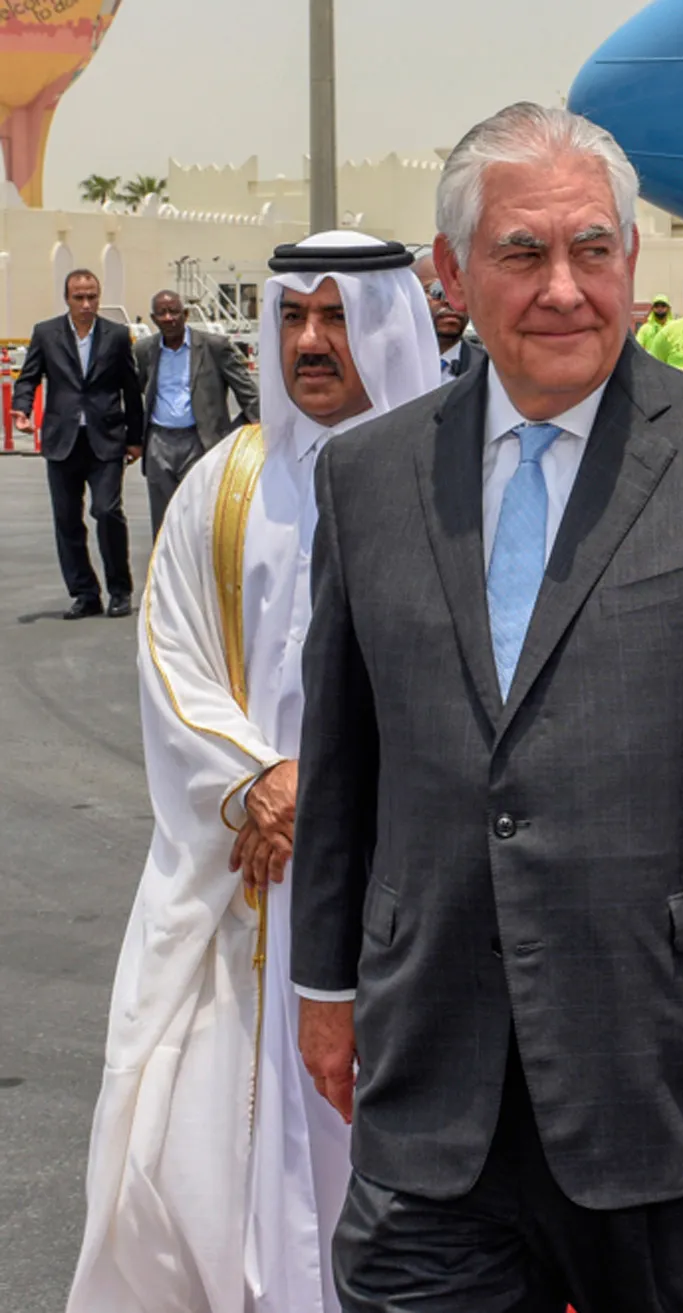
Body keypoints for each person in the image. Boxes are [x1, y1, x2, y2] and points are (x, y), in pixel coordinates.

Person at [289, 102, 683, 1312]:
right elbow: (344, 757)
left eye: (594, 250)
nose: (565, 288)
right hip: (432, 1084)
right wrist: (325, 986)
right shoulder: (366, 473)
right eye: (522, 253)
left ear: (629, 258)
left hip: (669, 1080)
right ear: (450, 272)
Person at [66, 231, 438, 1313]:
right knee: (209, 1159)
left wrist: (329, 798)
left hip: (399, 886)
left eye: (337, 316)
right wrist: (259, 781)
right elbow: (171, 657)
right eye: (292, 318)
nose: (311, 341)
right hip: (249, 879)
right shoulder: (225, 485)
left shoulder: (449, 487)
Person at [13, 268, 145, 618]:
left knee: (107, 511)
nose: (87, 304)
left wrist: (135, 438)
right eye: (79, 297)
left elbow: (130, 389)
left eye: (92, 297)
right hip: (62, 440)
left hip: (106, 440)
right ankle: (85, 593)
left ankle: (119, 590)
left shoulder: (117, 335)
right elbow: (29, 377)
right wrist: (21, 410)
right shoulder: (46, 333)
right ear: (67, 298)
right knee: (67, 519)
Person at [133, 288, 260, 536]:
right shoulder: (144, 351)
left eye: (174, 312)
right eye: (162, 313)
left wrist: (233, 437)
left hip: (201, 443)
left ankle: (201, 575)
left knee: (202, 521)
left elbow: (249, 395)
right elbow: (137, 392)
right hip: (159, 443)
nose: (169, 318)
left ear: (186, 314)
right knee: (164, 523)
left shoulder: (214, 347)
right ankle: (165, 573)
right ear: (153, 318)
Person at [413, 248, 487, 380]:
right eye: (436, 291)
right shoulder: (381, 365)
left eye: (461, 291)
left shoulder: (491, 371)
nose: (450, 301)